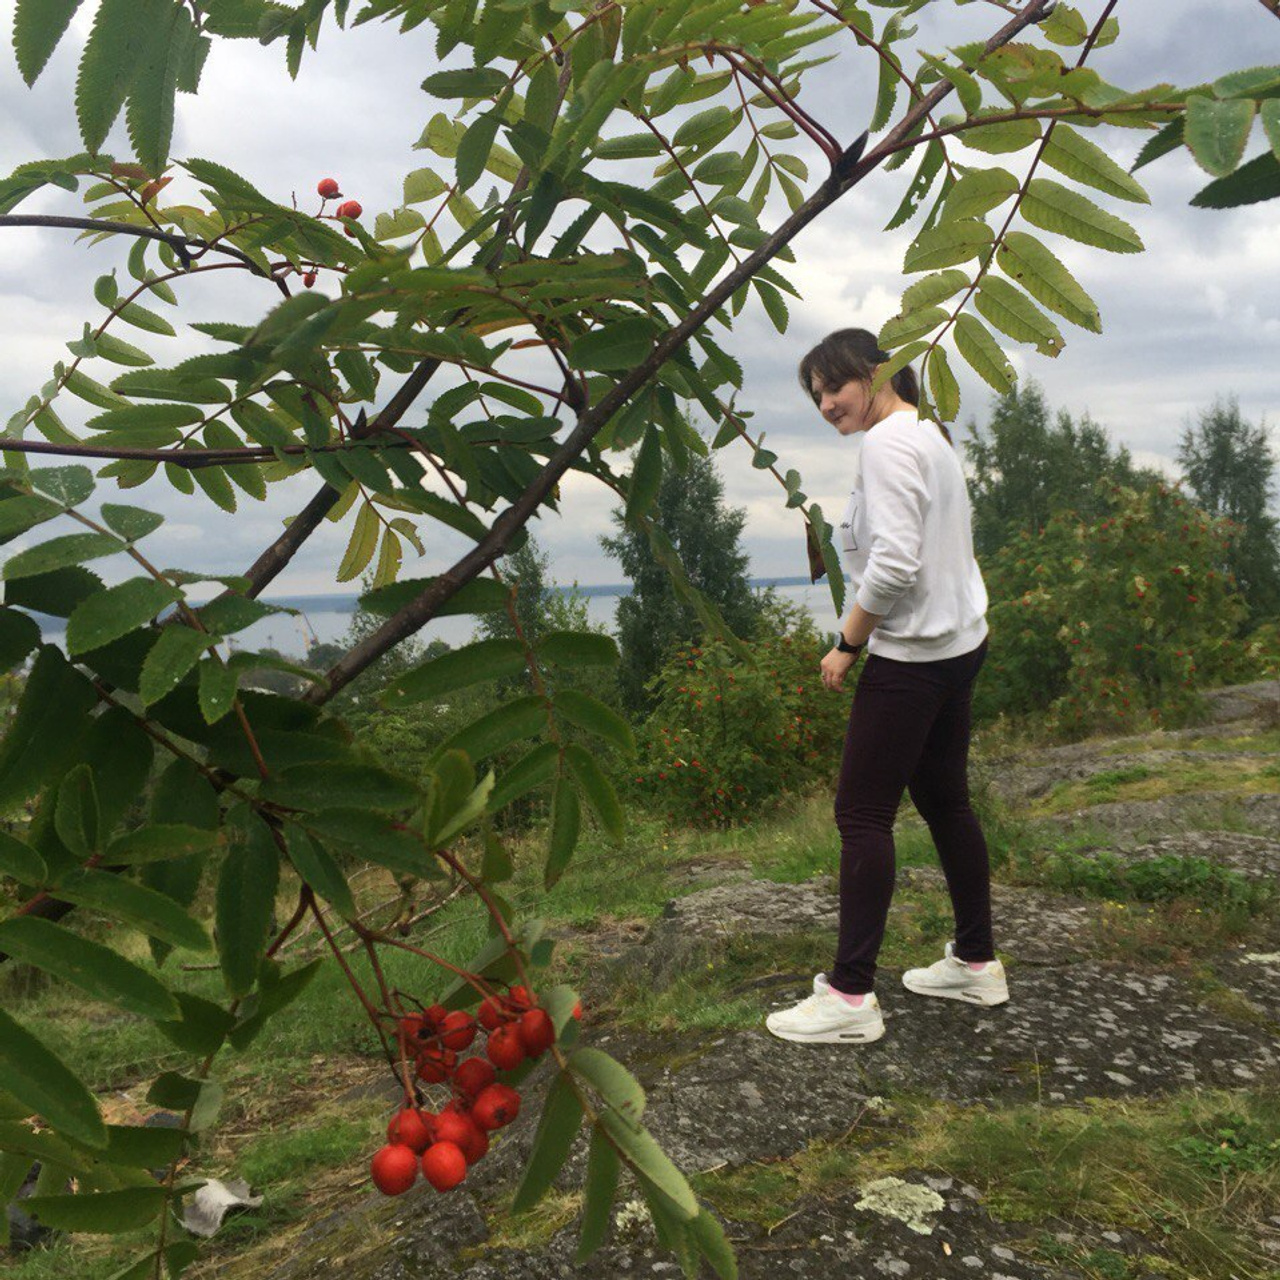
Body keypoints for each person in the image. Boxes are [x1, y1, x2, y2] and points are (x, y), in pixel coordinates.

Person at [766, 328, 1008, 1046]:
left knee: (861, 816)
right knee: (944, 801)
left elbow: (897, 563)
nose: (825, 404)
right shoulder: (928, 436)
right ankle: (976, 961)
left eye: (833, 387)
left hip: (913, 658)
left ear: (875, 375)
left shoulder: (889, 444)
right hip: (960, 643)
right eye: (815, 395)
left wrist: (848, 642)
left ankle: (849, 997)